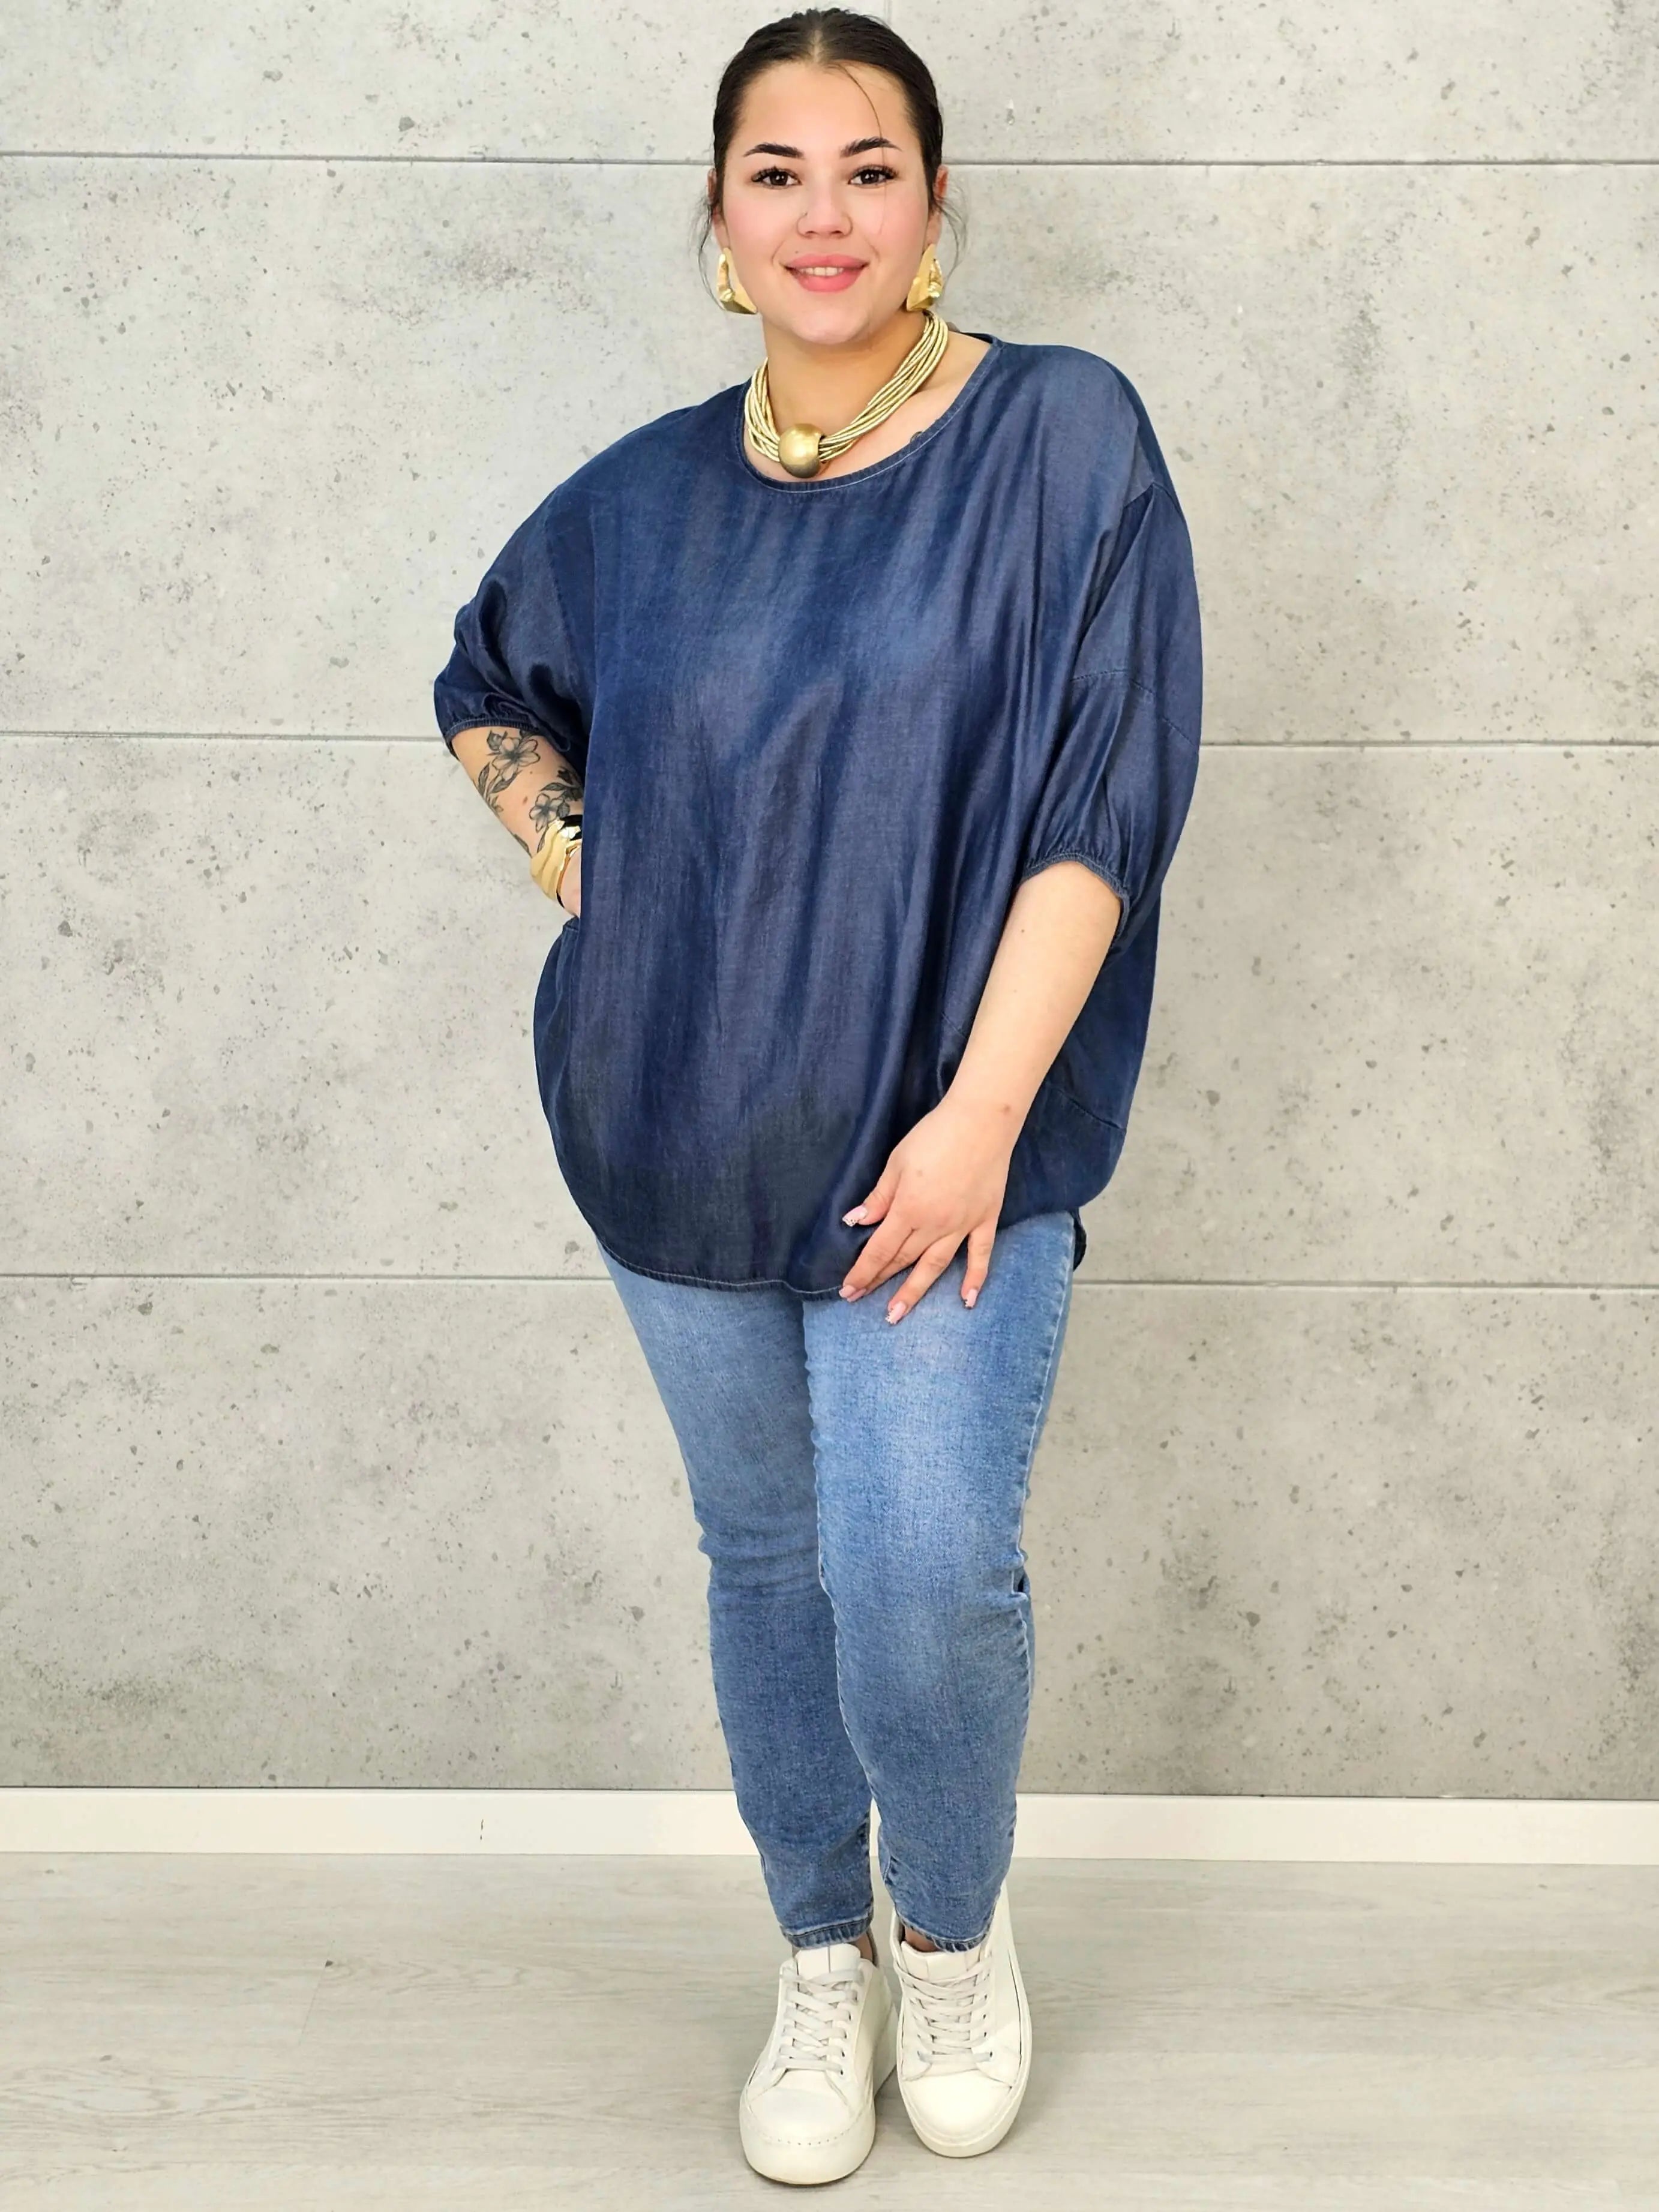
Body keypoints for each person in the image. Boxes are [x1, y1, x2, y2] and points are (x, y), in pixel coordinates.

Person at [433, 6, 1202, 2186]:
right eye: (777, 172)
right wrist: (593, 868)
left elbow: (1106, 801)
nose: (825, 213)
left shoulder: (1062, 439)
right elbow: (486, 685)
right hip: (676, 1133)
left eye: (870, 167)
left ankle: (947, 1932)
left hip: (952, 1145)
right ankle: (818, 1952)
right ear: (720, 216)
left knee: (924, 1569)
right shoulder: (646, 500)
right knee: (770, 1566)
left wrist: (981, 1121)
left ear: (936, 205)